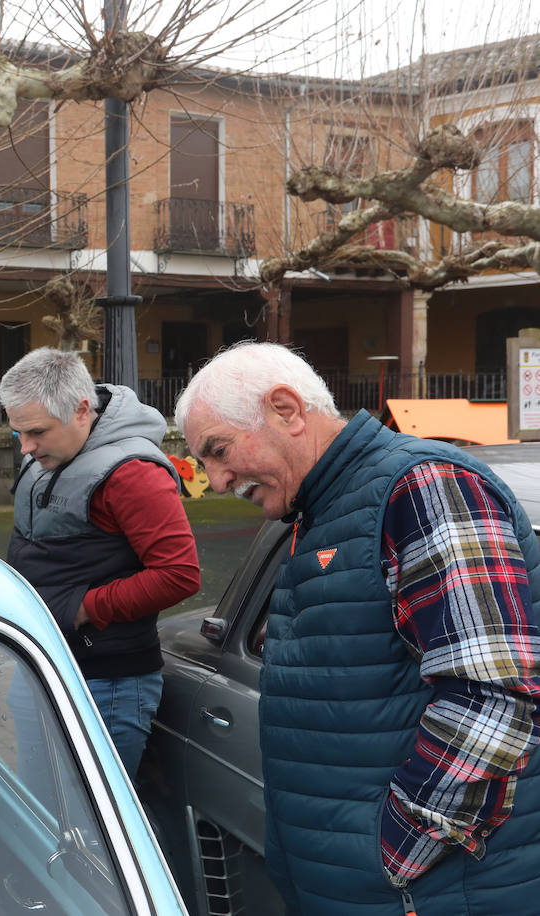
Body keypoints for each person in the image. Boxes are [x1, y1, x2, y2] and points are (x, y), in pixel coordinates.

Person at [176, 341, 540, 915]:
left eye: (217, 451)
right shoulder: (323, 509)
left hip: (425, 892)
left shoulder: (423, 488)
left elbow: (490, 699)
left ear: (286, 410)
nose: (216, 480)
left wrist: (395, 853)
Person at [1, 347, 199, 779]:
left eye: (36, 432)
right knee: (38, 811)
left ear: (82, 411)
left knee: (89, 830)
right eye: (18, 432)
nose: (25, 448)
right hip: (44, 661)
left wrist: (83, 609)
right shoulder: (53, 452)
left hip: (104, 682)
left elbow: (179, 574)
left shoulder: (133, 473)